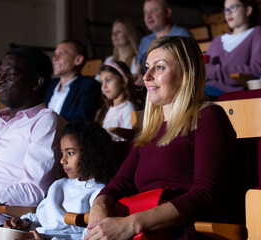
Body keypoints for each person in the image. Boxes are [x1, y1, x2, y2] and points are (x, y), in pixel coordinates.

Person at [84, 36, 236, 240]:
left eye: (159, 67)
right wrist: (99, 205)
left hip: (184, 232)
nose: (146, 76)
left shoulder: (207, 117)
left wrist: (131, 224)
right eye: (147, 67)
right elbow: (119, 182)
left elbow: (205, 194)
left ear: (185, 73)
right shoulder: (151, 130)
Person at [0, 47, 67, 238]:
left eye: (10, 74)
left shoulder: (46, 121)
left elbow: (35, 190)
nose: (0, 80)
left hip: (2, 222)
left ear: (36, 82)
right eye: (0, 74)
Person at [4, 121, 118, 240]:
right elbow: (42, 216)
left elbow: (90, 235)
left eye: (70, 153)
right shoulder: (59, 185)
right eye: (62, 153)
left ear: (92, 154)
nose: (62, 160)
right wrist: (24, 222)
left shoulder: (100, 193)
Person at [205, 0, 261, 98]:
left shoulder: (257, 33)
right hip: (205, 90)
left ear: (248, 10)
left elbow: (257, 70)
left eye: (233, 7)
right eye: (226, 9)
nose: (228, 13)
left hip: (230, 95)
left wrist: (215, 71)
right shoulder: (217, 40)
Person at [135, 0, 192, 86]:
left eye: (153, 11)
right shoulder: (145, 41)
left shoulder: (181, 35)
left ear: (168, 12)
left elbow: (185, 71)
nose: (148, 16)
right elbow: (139, 70)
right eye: (145, 13)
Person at [45, 39, 102, 122]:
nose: (54, 59)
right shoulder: (49, 84)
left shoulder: (89, 86)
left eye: (61, 54)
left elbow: (80, 119)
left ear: (78, 60)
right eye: (55, 54)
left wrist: (47, 124)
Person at [96, 61, 143, 141]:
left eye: (108, 80)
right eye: (101, 82)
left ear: (124, 81)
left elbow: (130, 138)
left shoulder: (128, 108)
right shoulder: (107, 109)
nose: (104, 86)